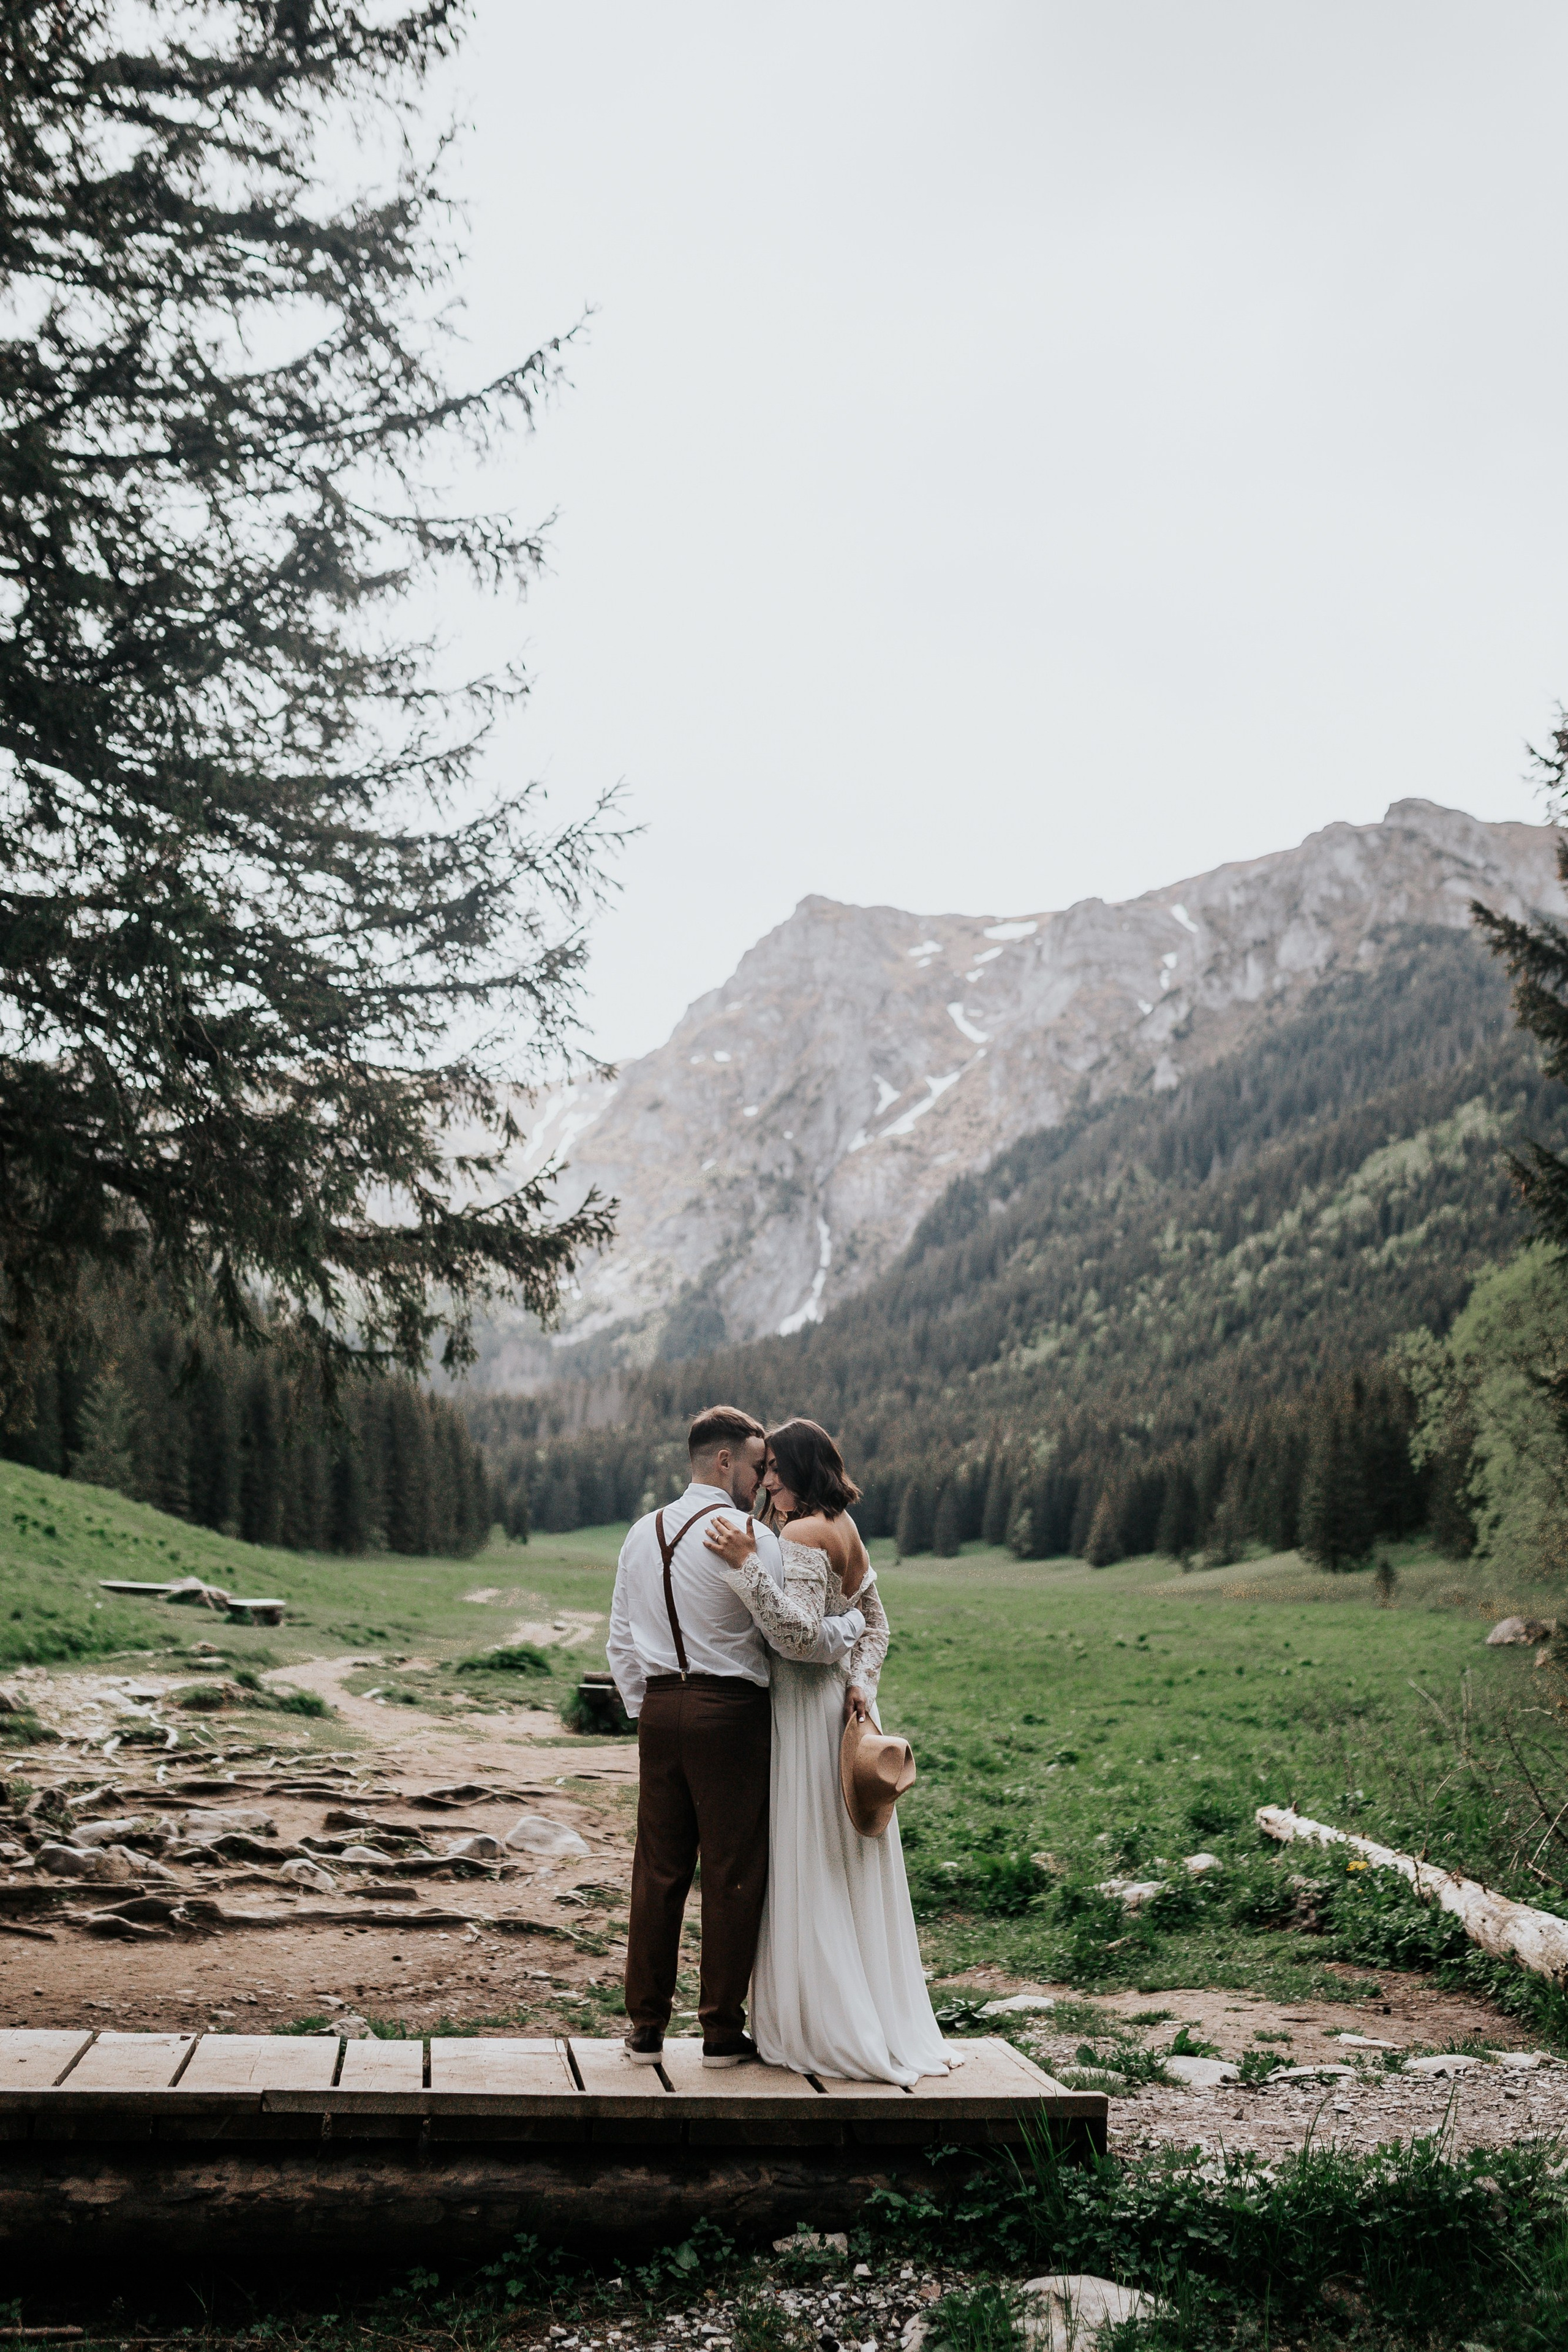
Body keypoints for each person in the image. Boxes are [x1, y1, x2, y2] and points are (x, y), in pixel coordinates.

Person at [606, 1404, 867, 2068]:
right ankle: (721, 2031)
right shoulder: (757, 1540)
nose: (761, 1481)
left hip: (660, 1713)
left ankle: (644, 2029)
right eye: (756, 1466)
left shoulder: (640, 1533)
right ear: (724, 1462)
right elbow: (792, 1638)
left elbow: (619, 1640)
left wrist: (652, 1707)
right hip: (732, 1715)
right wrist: (849, 1633)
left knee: (657, 1870)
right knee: (732, 1873)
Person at [703, 1418, 951, 2085]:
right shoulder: (845, 1527)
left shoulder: (804, 1533)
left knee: (808, 1861)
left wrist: (745, 1567)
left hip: (807, 1716)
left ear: (808, 1469)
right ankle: (864, 2011)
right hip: (843, 1710)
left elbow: (797, 1638)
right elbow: (876, 1625)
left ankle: (820, 2029)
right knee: (844, 1867)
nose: (769, 1478)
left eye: (780, 1467)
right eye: (767, 1467)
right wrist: (863, 1686)